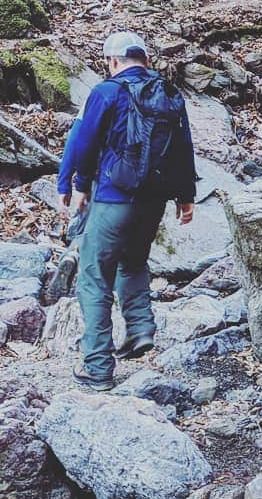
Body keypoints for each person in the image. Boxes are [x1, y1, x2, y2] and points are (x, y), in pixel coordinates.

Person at [57, 31, 197, 390]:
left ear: (113, 62)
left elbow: (83, 142)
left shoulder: (106, 92)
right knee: (133, 262)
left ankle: (98, 368)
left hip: (114, 198)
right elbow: (183, 144)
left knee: (93, 276)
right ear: (145, 60)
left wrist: (77, 186)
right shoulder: (167, 93)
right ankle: (139, 332)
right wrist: (185, 195)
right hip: (154, 201)